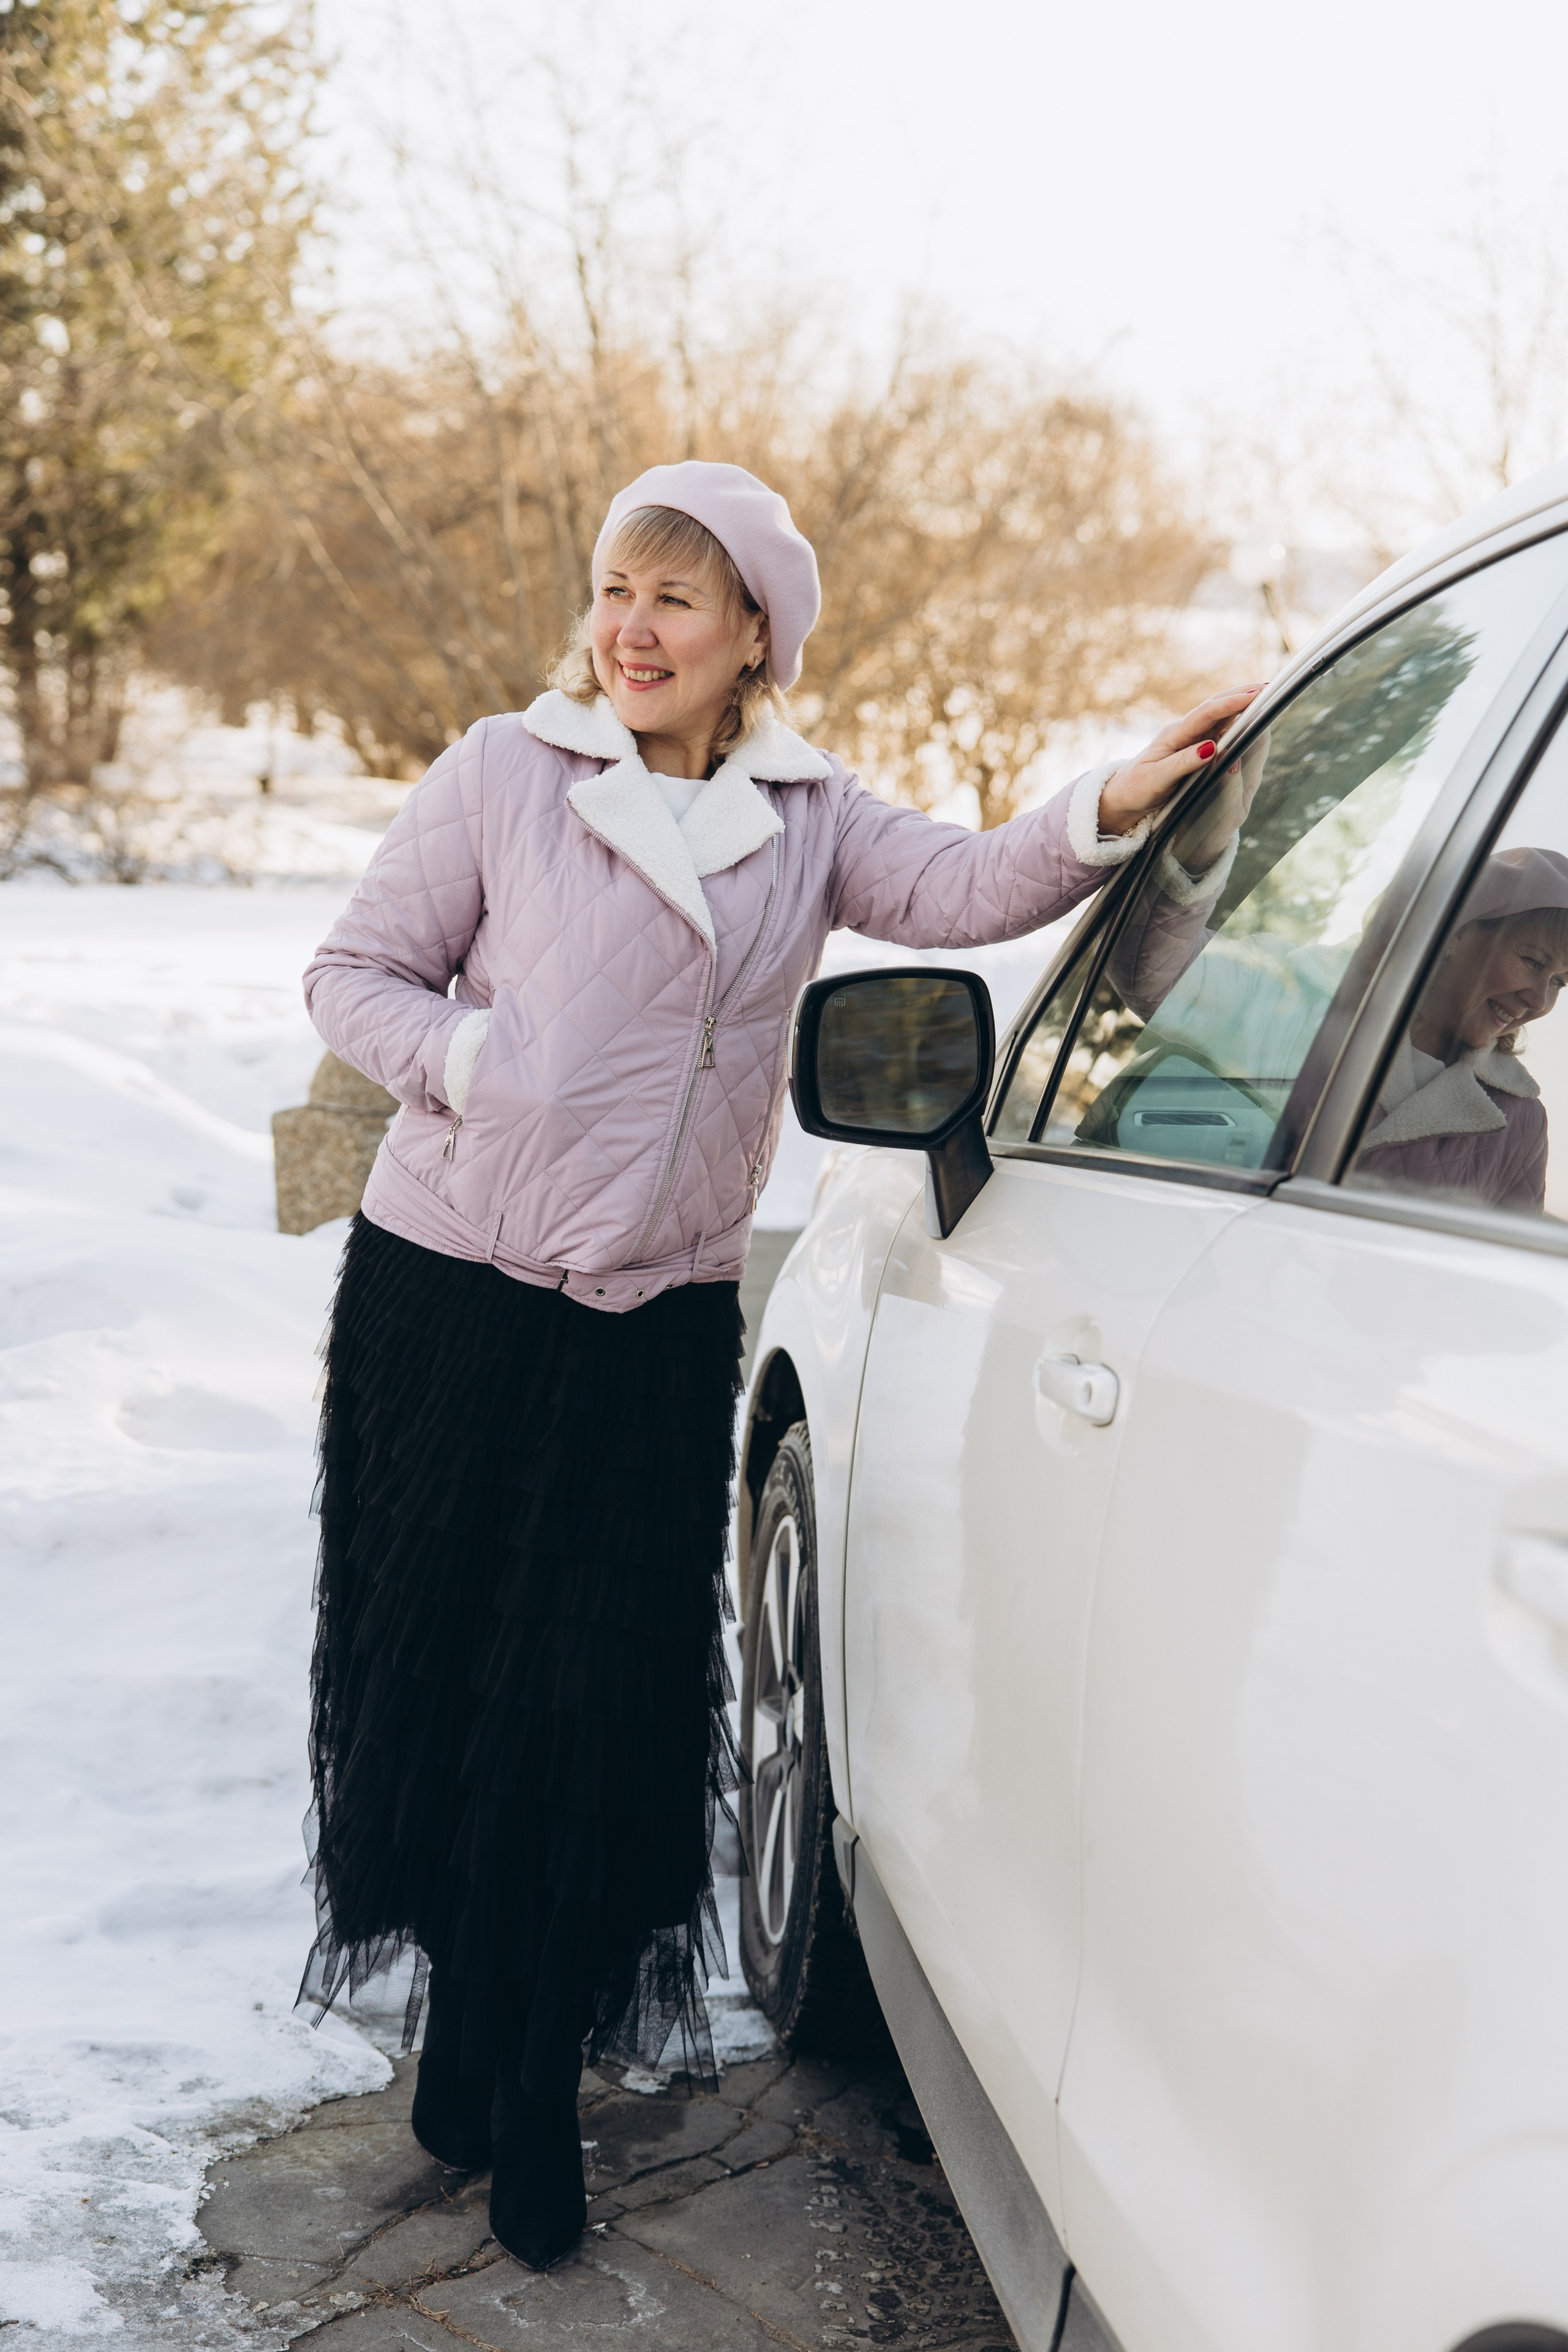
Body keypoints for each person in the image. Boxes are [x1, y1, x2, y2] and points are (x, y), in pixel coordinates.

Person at [295, 456, 1258, 2269]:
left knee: (582, 1703)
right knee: (433, 1668)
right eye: (613, 590)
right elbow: (354, 974)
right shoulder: (509, 771)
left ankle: (533, 2078)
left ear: (755, 636)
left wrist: (1118, 796)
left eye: (675, 597)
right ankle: (460, 2010)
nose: (630, 628)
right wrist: (476, 1063)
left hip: (648, 1322)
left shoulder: (809, 819)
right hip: (453, 1292)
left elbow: (975, 884)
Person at [1108, 739, 1568, 1212]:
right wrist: (1200, 845)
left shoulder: (1519, 1122)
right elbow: (1156, 973)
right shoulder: (1299, 997)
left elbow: (1493, 1277)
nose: (1540, 999)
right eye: (1533, 962)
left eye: (1560, 982)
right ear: (1456, 934)